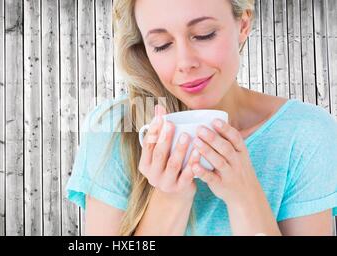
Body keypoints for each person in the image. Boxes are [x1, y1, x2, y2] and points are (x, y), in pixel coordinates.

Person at [65, 0, 337, 236]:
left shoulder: (306, 133)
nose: (185, 62)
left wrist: (244, 198)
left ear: (243, 24)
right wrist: (170, 199)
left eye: (204, 35)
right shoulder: (116, 127)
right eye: (161, 45)